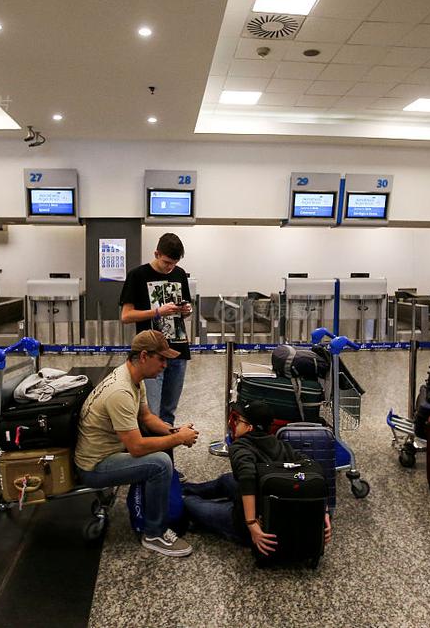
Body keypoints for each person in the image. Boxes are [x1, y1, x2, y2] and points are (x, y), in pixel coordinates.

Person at [75, 330, 200, 557]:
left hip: (108, 451)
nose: (165, 365)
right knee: (160, 464)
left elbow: (146, 417)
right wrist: (178, 439)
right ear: (144, 356)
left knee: (157, 440)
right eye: (161, 359)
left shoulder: (133, 377)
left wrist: (175, 431)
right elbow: (137, 447)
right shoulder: (121, 392)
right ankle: (154, 533)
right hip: (95, 466)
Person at [182, 402, 332, 555]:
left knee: (189, 503)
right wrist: (324, 512)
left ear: (249, 427)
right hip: (271, 502)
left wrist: (251, 523)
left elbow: (248, 478)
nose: (235, 424)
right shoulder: (280, 444)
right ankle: (188, 489)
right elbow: (315, 470)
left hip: (253, 521)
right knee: (227, 480)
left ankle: (183, 495)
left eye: (238, 420)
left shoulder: (240, 447)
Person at [119, 233, 193, 430]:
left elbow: (184, 310)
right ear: (156, 254)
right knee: (151, 412)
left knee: (169, 411)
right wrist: (157, 312)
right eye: (166, 262)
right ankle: (152, 446)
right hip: (151, 352)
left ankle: (166, 445)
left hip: (178, 349)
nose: (170, 268)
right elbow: (126, 316)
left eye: (174, 263)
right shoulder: (137, 275)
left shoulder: (179, 274)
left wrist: (186, 311)